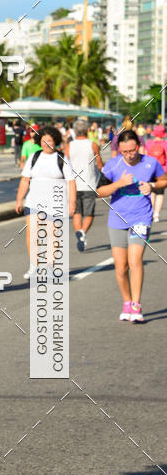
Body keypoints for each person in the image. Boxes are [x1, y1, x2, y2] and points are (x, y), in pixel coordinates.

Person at [96, 129, 167, 322]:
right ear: (119, 149)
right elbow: (99, 191)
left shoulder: (150, 163)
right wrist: (118, 183)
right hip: (117, 219)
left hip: (142, 217)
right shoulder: (112, 165)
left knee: (135, 261)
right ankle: (127, 302)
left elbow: (164, 181)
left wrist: (152, 186)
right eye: (124, 151)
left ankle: (136, 305)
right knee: (121, 266)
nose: (129, 154)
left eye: (132, 150)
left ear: (139, 146)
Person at [15, 126, 76, 278]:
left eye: (49, 140)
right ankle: (34, 265)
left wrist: (72, 202)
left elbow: (71, 182)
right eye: (43, 140)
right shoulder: (34, 157)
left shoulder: (61, 158)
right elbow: (25, 180)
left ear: (55, 141)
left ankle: (49, 265)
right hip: (34, 202)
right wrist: (19, 200)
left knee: (52, 237)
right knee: (33, 234)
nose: (46, 143)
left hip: (55, 203)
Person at [64, 118, 103, 251]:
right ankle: (83, 232)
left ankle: (79, 233)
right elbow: (99, 164)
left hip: (73, 185)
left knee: (77, 213)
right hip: (89, 183)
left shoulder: (69, 146)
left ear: (74, 131)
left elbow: (65, 164)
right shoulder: (93, 145)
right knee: (89, 213)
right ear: (87, 130)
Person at [143, 124, 167, 221]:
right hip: (163, 170)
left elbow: (145, 156)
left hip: (150, 169)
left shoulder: (148, 143)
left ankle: (151, 212)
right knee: (160, 193)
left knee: (152, 191)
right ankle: (156, 215)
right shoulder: (165, 143)